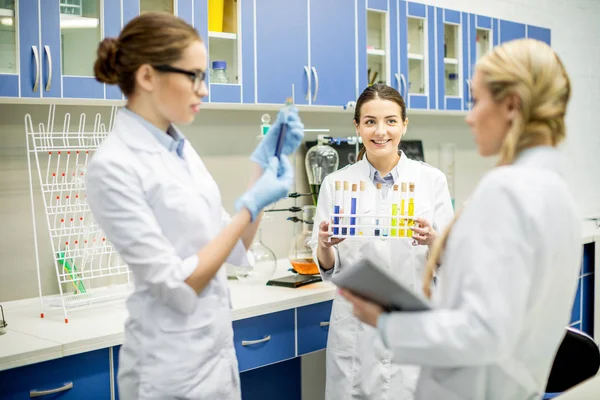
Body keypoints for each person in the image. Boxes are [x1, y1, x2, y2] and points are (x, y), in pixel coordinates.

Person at [340, 38, 580, 400]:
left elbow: (482, 332)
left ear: (511, 106)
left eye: (476, 101)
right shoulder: (556, 191)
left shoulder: (506, 190)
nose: (469, 116)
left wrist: (387, 324)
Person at [87, 12, 304, 400]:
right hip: (167, 370)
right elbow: (178, 283)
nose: (203, 90)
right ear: (148, 76)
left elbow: (232, 245)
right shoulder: (113, 165)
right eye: (194, 75)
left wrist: (260, 167)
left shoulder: (180, 148)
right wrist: (248, 206)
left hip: (214, 357)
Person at [310, 84, 454, 399]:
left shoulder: (431, 181)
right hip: (356, 326)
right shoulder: (337, 184)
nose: (380, 131)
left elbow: (450, 261)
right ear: (357, 127)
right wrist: (323, 245)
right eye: (370, 121)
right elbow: (328, 267)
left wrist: (433, 241)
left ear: (404, 124)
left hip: (411, 323)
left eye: (390, 121)